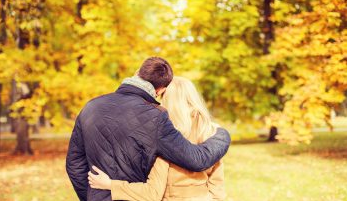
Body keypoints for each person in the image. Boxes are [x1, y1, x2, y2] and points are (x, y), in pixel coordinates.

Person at [66, 57, 231, 201]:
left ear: (137, 73)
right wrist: (222, 135)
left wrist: (92, 196)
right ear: (160, 90)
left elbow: (74, 164)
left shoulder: (91, 107)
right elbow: (196, 160)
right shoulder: (156, 118)